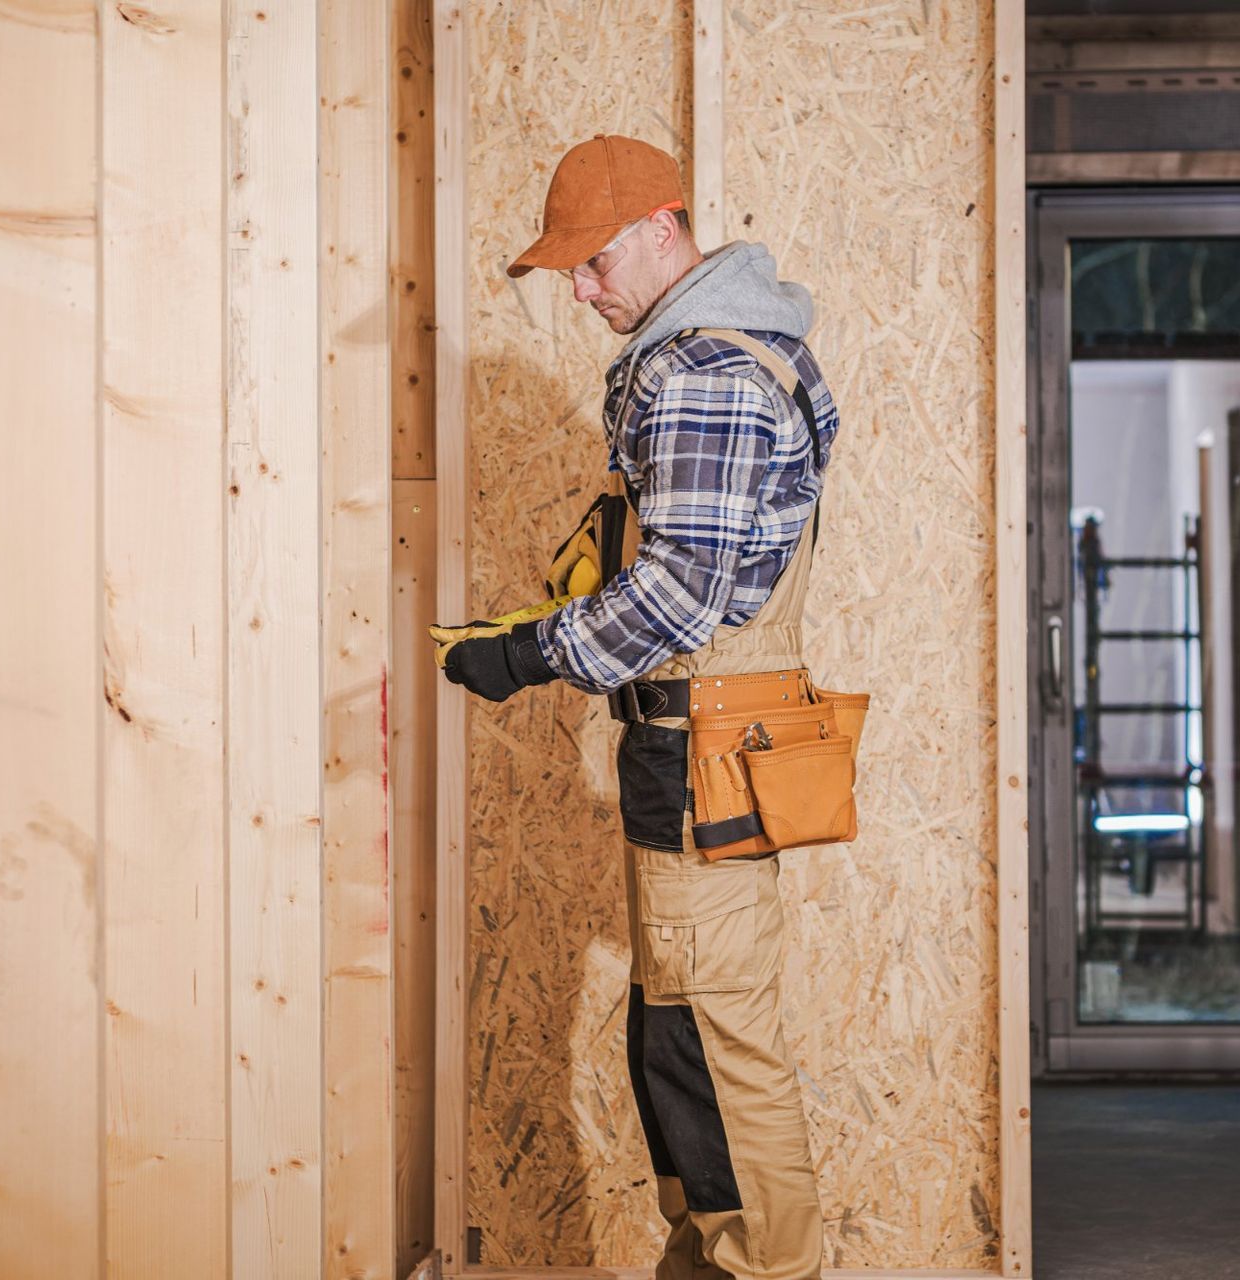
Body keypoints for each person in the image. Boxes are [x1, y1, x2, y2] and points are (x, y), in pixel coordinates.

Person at [444, 133, 835, 1280]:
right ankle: (711, 1257)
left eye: (594, 260)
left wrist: (530, 651)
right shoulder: (714, 355)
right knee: (674, 1027)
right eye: (566, 268)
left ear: (665, 227)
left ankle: (761, 1266)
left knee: (712, 1035)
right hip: (696, 739)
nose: (578, 287)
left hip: (705, 740)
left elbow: (682, 590)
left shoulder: (705, 369)